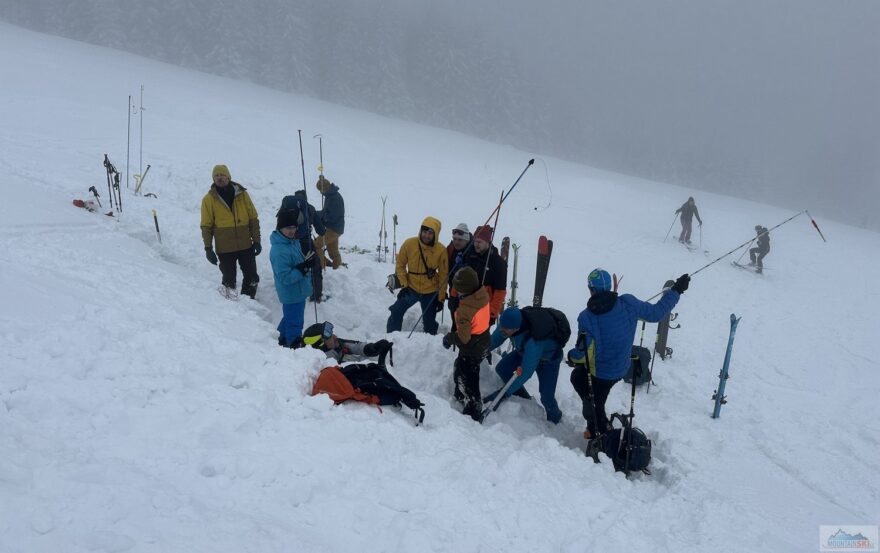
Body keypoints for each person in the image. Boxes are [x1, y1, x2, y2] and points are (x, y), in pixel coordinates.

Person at [568, 268, 688, 441]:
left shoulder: (586, 317)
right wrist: (676, 291)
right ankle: (597, 419)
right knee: (579, 379)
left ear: (591, 289)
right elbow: (656, 313)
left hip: (601, 373)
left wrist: (571, 357)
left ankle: (602, 436)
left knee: (592, 400)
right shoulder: (628, 302)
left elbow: (583, 353)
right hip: (621, 368)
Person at [484, 306, 566, 424]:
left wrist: (503, 393)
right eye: (501, 326)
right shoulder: (507, 324)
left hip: (548, 361)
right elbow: (495, 339)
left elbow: (525, 372)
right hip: (523, 352)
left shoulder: (534, 341)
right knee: (502, 368)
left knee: (547, 397)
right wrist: (478, 352)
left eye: (505, 329)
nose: (501, 329)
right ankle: (525, 400)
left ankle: (555, 420)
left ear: (516, 328)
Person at [200, 164, 262, 298]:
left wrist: (256, 241)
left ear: (228, 177)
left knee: (252, 278)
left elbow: (253, 218)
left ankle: (249, 301)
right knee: (228, 281)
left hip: (245, 245)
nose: (219, 178)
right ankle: (232, 307)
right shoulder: (209, 199)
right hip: (225, 248)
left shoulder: (242, 194)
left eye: (222, 175)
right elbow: (206, 226)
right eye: (216, 176)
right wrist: (208, 248)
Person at [442, 267, 491, 421]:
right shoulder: (482, 294)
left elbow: (463, 338)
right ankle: (459, 391)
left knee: (470, 377)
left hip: (471, 348)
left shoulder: (465, 310)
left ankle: (474, 408)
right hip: (484, 340)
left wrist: (449, 338)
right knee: (462, 368)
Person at [386, 217, 449, 335]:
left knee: (429, 323)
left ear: (435, 234)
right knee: (396, 311)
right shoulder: (409, 243)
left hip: (430, 291)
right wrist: (404, 285)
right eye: (424, 232)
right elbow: (400, 265)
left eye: (430, 233)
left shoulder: (441, 250)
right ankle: (391, 338)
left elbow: (443, 275)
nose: (426, 235)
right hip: (411, 288)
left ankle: (430, 344)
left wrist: (440, 298)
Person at [269, 208, 314, 347]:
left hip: (298, 291)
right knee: (295, 322)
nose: (291, 231)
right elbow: (285, 277)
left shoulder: (291, 242)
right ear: (280, 228)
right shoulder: (279, 250)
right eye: (288, 228)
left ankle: (280, 340)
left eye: (294, 227)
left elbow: (295, 264)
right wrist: (304, 268)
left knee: (289, 318)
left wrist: (306, 262)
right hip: (292, 293)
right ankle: (294, 348)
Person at [280, 190, 326, 302]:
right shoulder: (310, 208)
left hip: (289, 243)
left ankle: (292, 292)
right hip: (306, 244)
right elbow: (321, 231)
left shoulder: (286, 208)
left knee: (292, 267)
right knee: (315, 267)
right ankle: (316, 296)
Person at [458, 225, 507, 326]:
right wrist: (455, 296)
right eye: (475, 241)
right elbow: (462, 277)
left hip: (485, 307)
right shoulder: (470, 254)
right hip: (467, 303)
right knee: (462, 332)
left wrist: (492, 312)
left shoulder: (498, 263)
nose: (476, 244)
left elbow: (500, 291)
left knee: (479, 337)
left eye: (479, 242)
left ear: (487, 242)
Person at [297, 321, 394, 363]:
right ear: (322, 344)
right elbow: (355, 368)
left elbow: (353, 345)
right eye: (329, 337)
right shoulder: (329, 360)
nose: (335, 336)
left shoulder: (334, 344)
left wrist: (369, 348)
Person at [314, 175, 345, 270]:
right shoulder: (330, 195)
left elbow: (332, 216)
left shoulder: (334, 198)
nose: (320, 192)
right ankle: (337, 266)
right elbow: (326, 211)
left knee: (316, 245)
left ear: (325, 189)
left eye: (321, 190)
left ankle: (320, 265)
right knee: (332, 249)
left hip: (334, 229)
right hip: (335, 228)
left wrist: (321, 217)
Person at [445, 223, 472, 326]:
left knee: (464, 321)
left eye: (460, 240)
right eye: (455, 239)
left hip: (467, 293)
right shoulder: (451, 248)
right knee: (454, 315)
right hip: (453, 288)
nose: (456, 242)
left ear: (466, 240)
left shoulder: (472, 250)